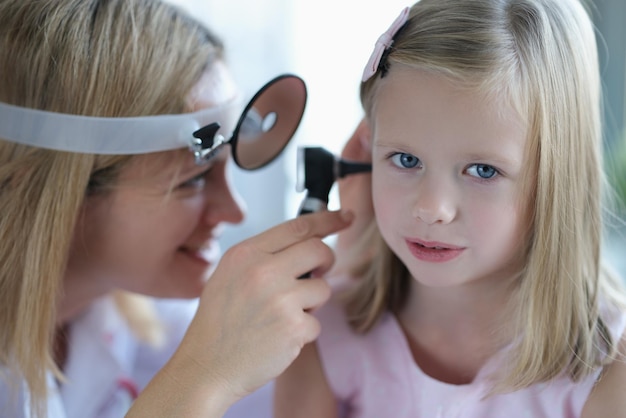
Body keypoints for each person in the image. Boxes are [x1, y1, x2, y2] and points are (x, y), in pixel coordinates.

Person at [0, 0, 357, 417]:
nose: (233, 212)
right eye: (192, 180)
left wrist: (365, 240)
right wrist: (204, 374)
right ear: (53, 188)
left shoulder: (132, 321)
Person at [274, 0, 626, 416]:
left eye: (482, 170)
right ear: (367, 153)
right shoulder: (317, 334)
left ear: (558, 179)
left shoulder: (608, 368)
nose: (431, 208)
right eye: (406, 160)